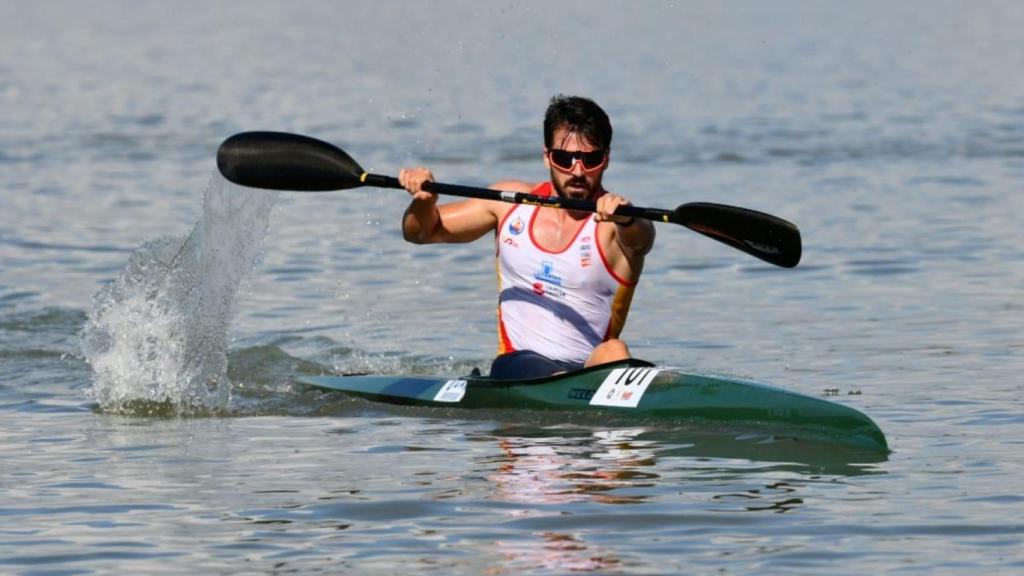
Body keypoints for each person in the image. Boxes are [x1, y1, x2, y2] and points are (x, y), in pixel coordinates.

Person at [399, 95, 655, 379]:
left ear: (605, 160)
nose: (577, 171)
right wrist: (424, 200)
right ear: (547, 156)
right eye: (565, 158)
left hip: (587, 373)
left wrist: (628, 216)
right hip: (516, 365)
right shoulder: (509, 204)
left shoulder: (614, 224)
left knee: (615, 351)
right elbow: (421, 232)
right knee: (521, 364)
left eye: (590, 160)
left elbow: (642, 238)